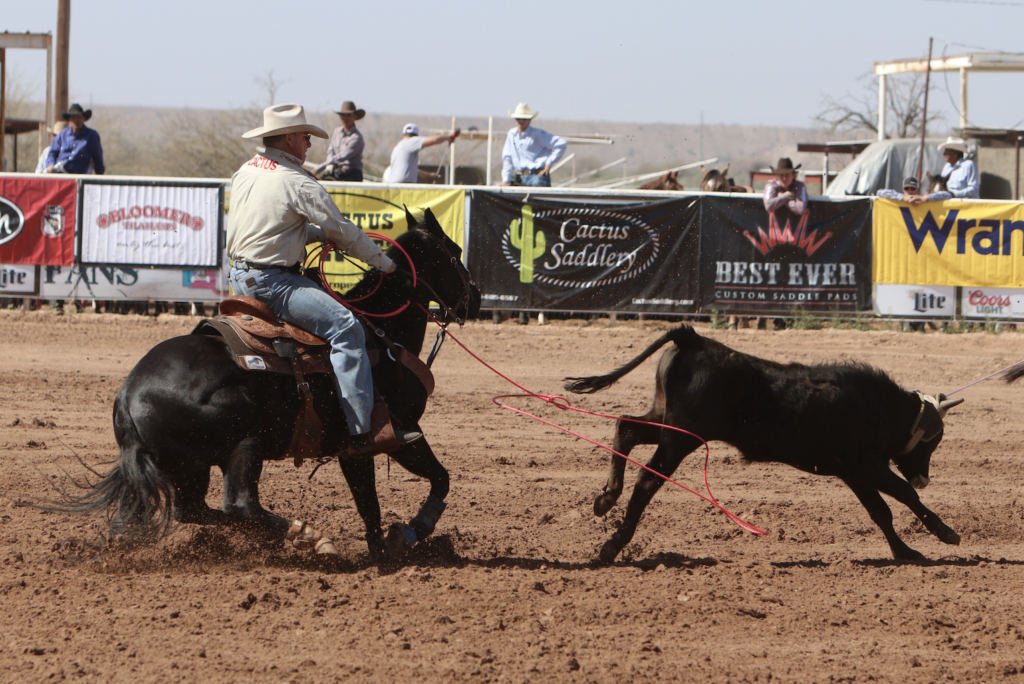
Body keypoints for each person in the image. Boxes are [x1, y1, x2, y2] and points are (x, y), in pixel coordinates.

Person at [227, 103, 421, 458]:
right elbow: (344, 232)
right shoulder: (298, 182)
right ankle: (362, 432)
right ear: (289, 138)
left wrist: (316, 235)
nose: (310, 144)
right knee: (347, 328)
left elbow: (268, 227)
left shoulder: (247, 170)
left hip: (239, 277)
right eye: (305, 136)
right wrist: (387, 266)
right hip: (273, 282)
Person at [500, 103, 567, 188]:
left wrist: (549, 163)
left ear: (529, 120)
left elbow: (561, 143)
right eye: (518, 118)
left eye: (524, 118)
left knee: (537, 195)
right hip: (520, 177)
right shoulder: (511, 134)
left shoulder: (537, 134)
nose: (521, 121)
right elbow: (507, 158)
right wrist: (506, 179)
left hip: (537, 177)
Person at [383, 124, 457, 183]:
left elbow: (412, 172)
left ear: (403, 135)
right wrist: (448, 137)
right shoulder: (411, 142)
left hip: (393, 187)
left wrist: (430, 176)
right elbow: (434, 140)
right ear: (416, 136)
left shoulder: (398, 147)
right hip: (402, 188)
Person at [46, 103, 105, 175]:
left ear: (84, 118)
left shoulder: (91, 136)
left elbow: (97, 158)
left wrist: (100, 176)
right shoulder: (62, 135)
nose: (76, 120)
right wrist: (50, 164)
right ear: (69, 119)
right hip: (60, 174)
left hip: (79, 176)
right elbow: (53, 152)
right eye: (73, 117)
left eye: (78, 117)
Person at [314, 101, 365, 182]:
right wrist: (329, 164)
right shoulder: (337, 132)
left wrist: (317, 169)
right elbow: (330, 151)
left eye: (348, 115)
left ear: (355, 116)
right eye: (343, 115)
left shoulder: (356, 137)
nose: (345, 118)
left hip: (352, 174)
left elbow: (343, 156)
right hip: (337, 171)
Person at [877, 176, 951, 204]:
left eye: (913, 188)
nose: (909, 191)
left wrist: (926, 198)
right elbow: (879, 192)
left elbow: (948, 195)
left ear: (917, 189)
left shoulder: (923, 201)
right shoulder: (898, 200)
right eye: (907, 188)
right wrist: (902, 197)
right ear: (903, 189)